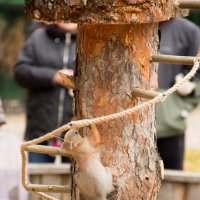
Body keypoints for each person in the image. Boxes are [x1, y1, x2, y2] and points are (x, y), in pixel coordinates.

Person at [14, 23, 77, 163]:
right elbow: (20, 72)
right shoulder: (38, 38)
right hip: (40, 131)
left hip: (76, 134)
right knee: (35, 181)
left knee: (76, 182)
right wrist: (53, 76)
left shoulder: (92, 38)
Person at [156, 17, 200, 170]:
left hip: (170, 127)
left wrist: (179, 107)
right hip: (131, 123)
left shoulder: (189, 32)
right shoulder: (128, 27)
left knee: (172, 180)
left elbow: (198, 76)